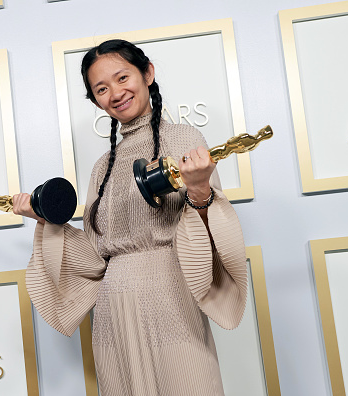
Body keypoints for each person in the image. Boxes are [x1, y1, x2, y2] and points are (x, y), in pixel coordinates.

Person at [13, 39, 247, 396]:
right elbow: (94, 257)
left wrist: (199, 190)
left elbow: (209, 233)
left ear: (148, 73)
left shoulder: (183, 138)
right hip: (112, 312)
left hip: (171, 295)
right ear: (95, 101)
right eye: (102, 89)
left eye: (123, 78)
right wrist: (43, 218)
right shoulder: (101, 168)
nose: (116, 93)